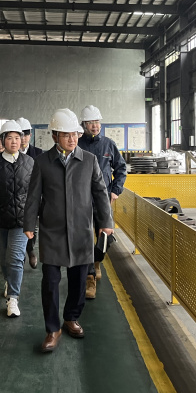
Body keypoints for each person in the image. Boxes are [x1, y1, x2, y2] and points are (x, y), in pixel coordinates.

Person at [23, 108, 113, 353]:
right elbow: (33, 196)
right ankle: (52, 329)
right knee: (50, 282)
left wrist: (106, 222)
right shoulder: (43, 162)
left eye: (75, 134)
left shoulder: (89, 160)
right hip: (52, 231)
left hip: (81, 231)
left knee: (79, 281)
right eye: (66, 135)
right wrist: (29, 224)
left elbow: (100, 193)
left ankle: (71, 318)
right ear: (55, 136)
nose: (72, 139)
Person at [78, 105, 127, 299]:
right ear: (84, 125)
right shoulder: (77, 144)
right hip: (81, 199)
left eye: (97, 122)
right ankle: (90, 278)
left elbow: (121, 168)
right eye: (91, 123)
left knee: (105, 237)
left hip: (103, 199)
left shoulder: (108, 144)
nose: (95, 126)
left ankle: (96, 262)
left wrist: (115, 191)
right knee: (84, 237)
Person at [0, 120, 34, 318]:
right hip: (0, 220)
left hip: (21, 221)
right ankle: (9, 280)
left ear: (21, 140)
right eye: (10, 138)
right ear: (3, 140)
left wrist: (33, 219)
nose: (14, 141)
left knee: (15, 258)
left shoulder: (30, 163)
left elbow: (35, 193)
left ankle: (13, 299)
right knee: (3, 258)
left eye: (17, 137)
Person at [16, 117, 42, 269]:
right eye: (20, 134)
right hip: (16, 197)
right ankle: (22, 253)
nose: (23, 138)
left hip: (33, 196)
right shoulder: (10, 153)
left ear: (30, 135)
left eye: (26, 134)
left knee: (33, 226)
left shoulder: (38, 153)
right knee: (18, 227)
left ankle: (31, 250)